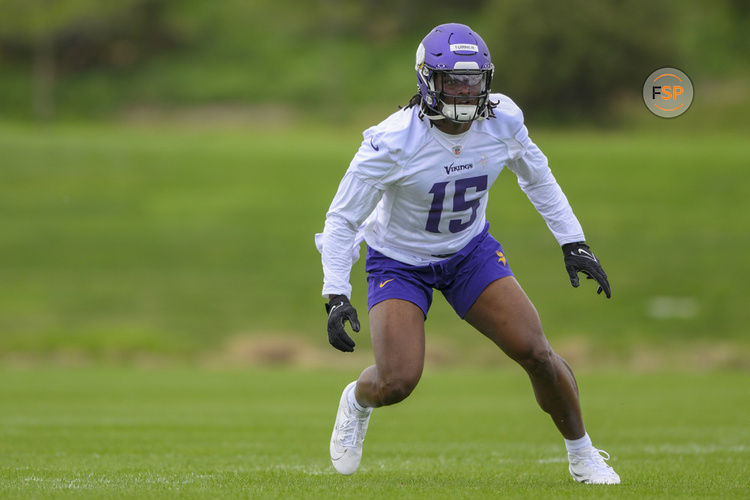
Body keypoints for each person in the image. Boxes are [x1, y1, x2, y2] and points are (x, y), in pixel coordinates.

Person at [315, 23, 620, 485]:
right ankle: (357, 401)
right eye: (452, 80)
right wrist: (336, 293)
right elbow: (341, 219)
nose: (463, 90)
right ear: (425, 80)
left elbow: (537, 177)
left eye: (473, 80)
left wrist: (573, 241)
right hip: (399, 260)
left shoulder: (502, 120)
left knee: (535, 351)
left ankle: (583, 456)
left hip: (468, 251)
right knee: (397, 381)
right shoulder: (392, 141)